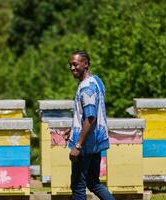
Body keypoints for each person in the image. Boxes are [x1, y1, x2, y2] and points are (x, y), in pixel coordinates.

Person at [66, 50, 115, 200]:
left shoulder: (86, 87)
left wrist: (78, 145)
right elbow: (92, 113)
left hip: (86, 146)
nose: (72, 68)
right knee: (93, 183)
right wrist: (74, 128)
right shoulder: (96, 80)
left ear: (85, 64)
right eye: (70, 65)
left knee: (78, 187)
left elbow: (90, 118)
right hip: (95, 141)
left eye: (75, 64)